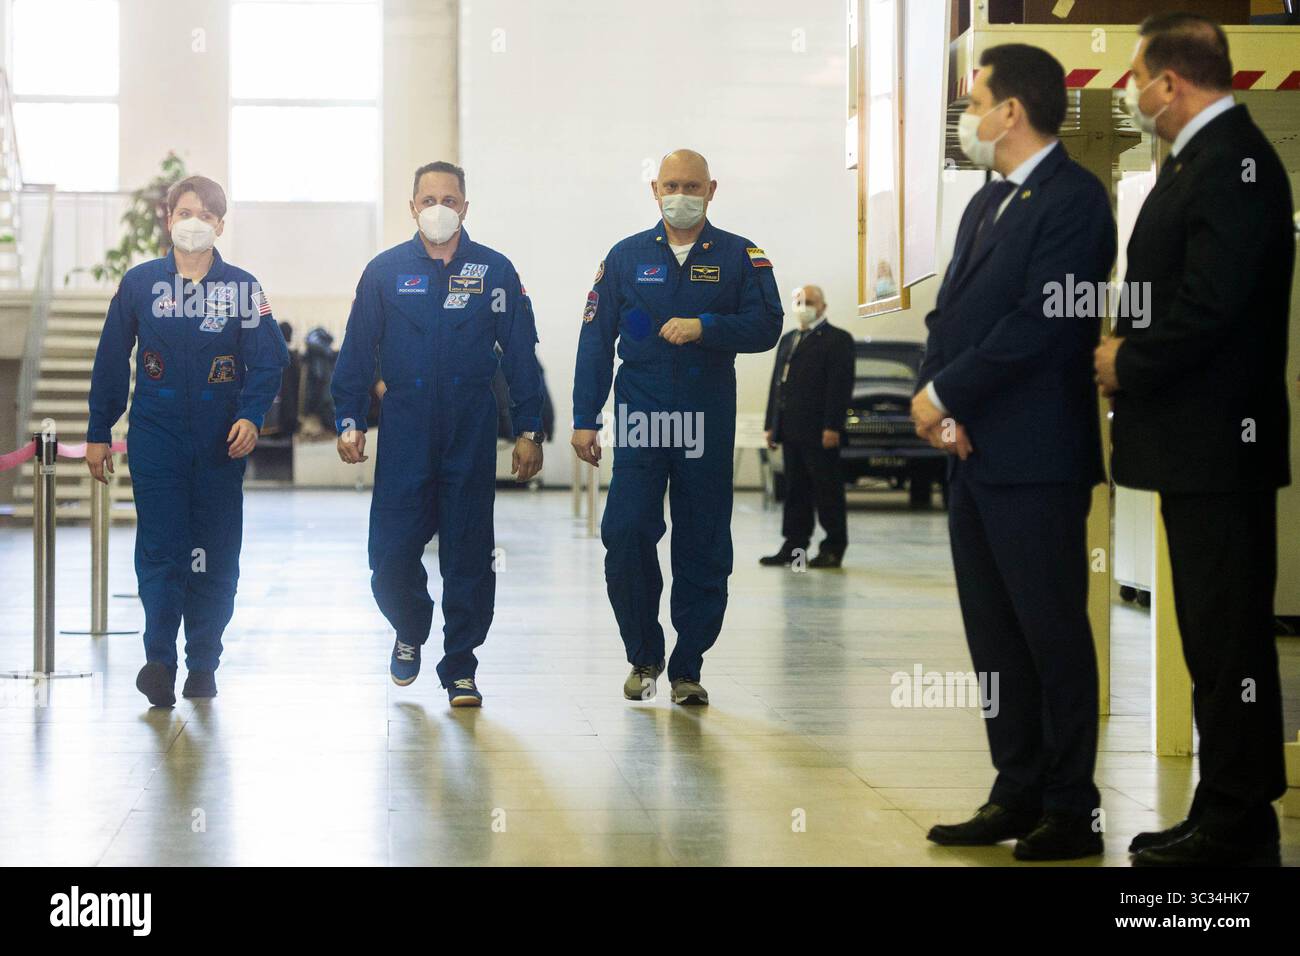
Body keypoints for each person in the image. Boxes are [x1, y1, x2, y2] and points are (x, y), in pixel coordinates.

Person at [1095, 13, 1293, 868]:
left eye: (1137, 77)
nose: (1134, 94)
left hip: (1221, 443)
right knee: (1212, 639)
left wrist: (1125, 360)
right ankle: (1225, 803)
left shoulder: (1234, 164)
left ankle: (1242, 815)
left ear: (1169, 83)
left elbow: (1214, 307)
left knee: (1228, 636)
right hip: (1196, 445)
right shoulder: (1199, 162)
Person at [910, 44, 1116, 861]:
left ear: (1012, 111)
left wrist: (949, 393)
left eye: (976, 99)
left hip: (1037, 457)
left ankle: (1071, 807)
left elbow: (1042, 325)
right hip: (973, 452)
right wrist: (936, 399)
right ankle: (1016, 787)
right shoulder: (985, 203)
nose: (968, 115)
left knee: (1051, 632)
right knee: (994, 637)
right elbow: (949, 319)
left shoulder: (1075, 201)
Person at [571, 148, 782, 705]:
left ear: (712, 189)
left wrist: (705, 326)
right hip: (642, 415)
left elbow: (767, 325)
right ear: (654, 191)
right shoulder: (624, 257)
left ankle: (689, 664)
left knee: (704, 541)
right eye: (671, 185)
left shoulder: (741, 255)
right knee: (627, 530)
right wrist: (584, 418)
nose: (680, 195)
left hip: (705, 415)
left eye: (691, 186)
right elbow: (596, 340)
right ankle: (644, 655)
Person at [331, 161, 544, 708]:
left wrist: (530, 429)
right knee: (390, 551)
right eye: (428, 199)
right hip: (405, 424)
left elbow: (521, 356)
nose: (439, 209)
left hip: (469, 425)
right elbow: (356, 354)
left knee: (469, 554)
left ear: (466, 207)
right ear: (412, 207)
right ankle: (410, 623)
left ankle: (461, 667)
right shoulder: (383, 272)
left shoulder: (496, 272)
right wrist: (349, 419)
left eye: (449, 199)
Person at [85, 175, 289, 707]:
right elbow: (111, 360)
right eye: (182, 212)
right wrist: (98, 430)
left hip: (221, 445)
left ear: (220, 224)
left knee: (214, 554)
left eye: (203, 214)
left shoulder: (244, 290)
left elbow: (269, 362)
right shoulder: (139, 284)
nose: (191, 222)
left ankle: (203, 661)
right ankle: (159, 661)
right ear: (168, 218)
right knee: (161, 549)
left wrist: (250, 415)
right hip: (156, 439)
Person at [760, 284, 854, 568]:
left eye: (809, 301)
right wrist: (771, 425)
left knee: (826, 490)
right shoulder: (789, 339)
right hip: (791, 429)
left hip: (820, 430)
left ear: (823, 306)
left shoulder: (837, 340)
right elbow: (778, 384)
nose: (803, 306)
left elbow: (839, 387)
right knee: (795, 490)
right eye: (798, 300)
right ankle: (794, 545)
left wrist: (832, 426)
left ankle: (833, 546)